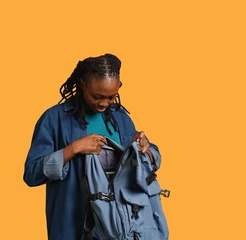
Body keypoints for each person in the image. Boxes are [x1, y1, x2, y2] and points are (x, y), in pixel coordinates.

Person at [23, 54, 162, 240]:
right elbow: (31, 174)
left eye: (112, 97)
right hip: (73, 226)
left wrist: (147, 150)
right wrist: (72, 149)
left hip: (120, 227)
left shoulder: (120, 118)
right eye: (97, 96)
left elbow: (144, 164)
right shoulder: (54, 119)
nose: (104, 103)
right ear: (82, 84)